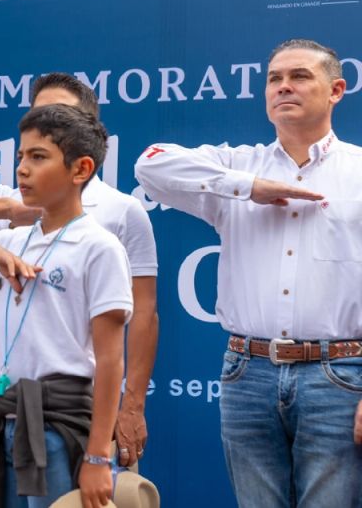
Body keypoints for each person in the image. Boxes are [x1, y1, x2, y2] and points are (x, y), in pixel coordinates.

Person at [134, 39, 362, 507]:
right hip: (247, 372)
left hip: (339, 375)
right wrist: (246, 188)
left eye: (299, 76)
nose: (283, 87)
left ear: (336, 89)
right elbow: (150, 163)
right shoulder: (239, 166)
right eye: (274, 78)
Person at [0, 73, 158, 467]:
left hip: (69, 411)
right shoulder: (13, 210)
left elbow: (141, 315)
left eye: (60, 115)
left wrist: (131, 407)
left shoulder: (118, 215)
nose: (47, 124)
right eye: (39, 115)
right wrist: (1, 224)